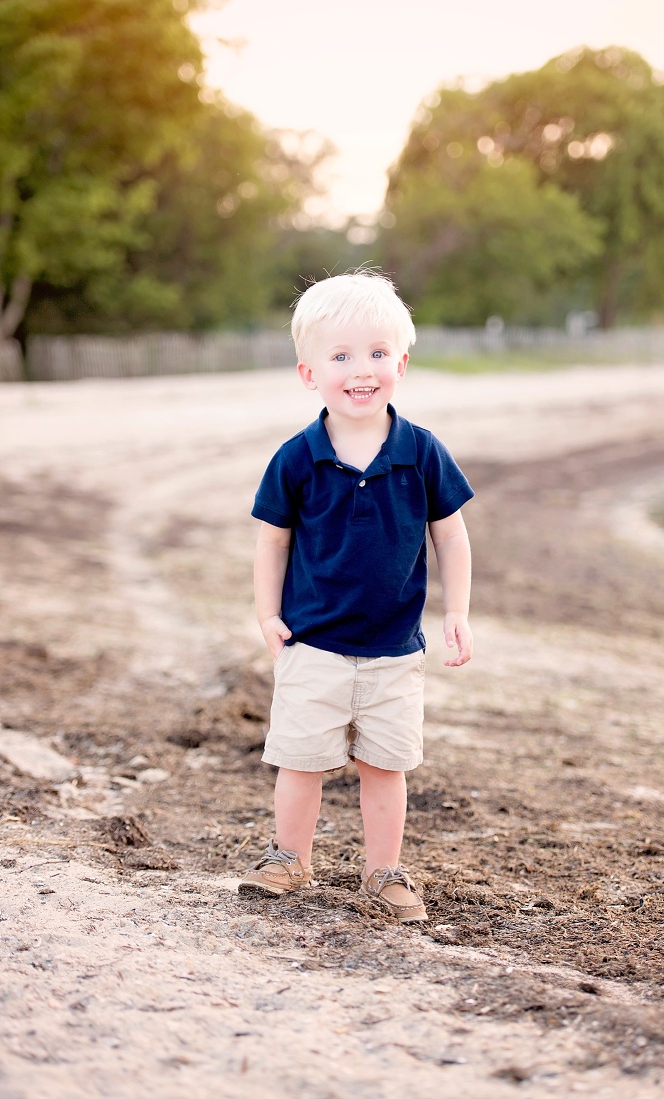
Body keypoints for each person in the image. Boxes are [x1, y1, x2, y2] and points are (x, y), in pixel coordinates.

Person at [239, 270, 473, 922]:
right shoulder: (297, 458)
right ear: (309, 373)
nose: (361, 370)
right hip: (312, 641)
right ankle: (289, 858)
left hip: (396, 649)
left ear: (401, 362)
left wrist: (456, 612)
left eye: (376, 353)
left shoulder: (421, 452)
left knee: (385, 765)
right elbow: (272, 543)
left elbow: (452, 540)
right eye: (340, 356)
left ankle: (383, 873)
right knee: (300, 760)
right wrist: (267, 614)